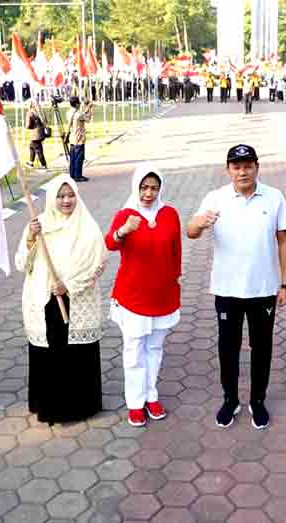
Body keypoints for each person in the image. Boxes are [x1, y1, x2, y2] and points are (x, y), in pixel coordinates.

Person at [187, 144, 286, 429]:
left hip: (263, 289)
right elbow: (191, 231)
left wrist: (285, 284)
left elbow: (284, 240)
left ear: (257, 167)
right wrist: (200, 223)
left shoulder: (274, 197)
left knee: (262, 349)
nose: (242, 172)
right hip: (227, 289)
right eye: (236, 167)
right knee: (228, 348)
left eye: (247, 166)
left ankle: (257, 400)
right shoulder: (216, 197)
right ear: (228, 170)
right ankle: (230, 400)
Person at [16, 176, 106, 424]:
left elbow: (98, 264)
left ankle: (80, 407)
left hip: (76, 299)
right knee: (50, 355)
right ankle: (50, 407)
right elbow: (22, 264)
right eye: (60, 195)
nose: (66, 200)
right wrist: (31, 239)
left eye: (70, 195)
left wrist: (68, 285)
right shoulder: (38, 225)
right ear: (52, 198)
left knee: (76, 354)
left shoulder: (87, 226)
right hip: (45, 301)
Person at [105, 166, 182, 427]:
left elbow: (176, 249)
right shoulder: (125, 214)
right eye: (144, 187)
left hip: (162, 293)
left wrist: (176, 277)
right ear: (136, 187)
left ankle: (151, 396)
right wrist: (124, 230)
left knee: (155, 348)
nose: (148, 193)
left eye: (153, 188)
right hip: (133, 295)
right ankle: (135, 403)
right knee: (134, 350)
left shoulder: (169, 213)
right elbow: (110, 243)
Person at [68, 96, 93, 183]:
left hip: (72, 138)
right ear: (76, 104)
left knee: (73, 158)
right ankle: (78, 176)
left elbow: (82, 115)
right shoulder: (78, 114)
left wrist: (87, 109)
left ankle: (72, 175)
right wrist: (90, 109)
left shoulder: (69, 112)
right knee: (79, 158)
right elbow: (88, 119)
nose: (80, 104)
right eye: (79, 103)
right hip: (79, 139)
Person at [26, 102, 48, 169]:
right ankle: (31, 162)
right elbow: (45, 121)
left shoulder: (30, 113)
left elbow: (28, 125)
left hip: (36, 135)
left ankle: (44, 165)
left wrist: (29, 127)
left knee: (38, 150)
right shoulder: (40, 112)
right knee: (31, 146)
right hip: (41, 133)